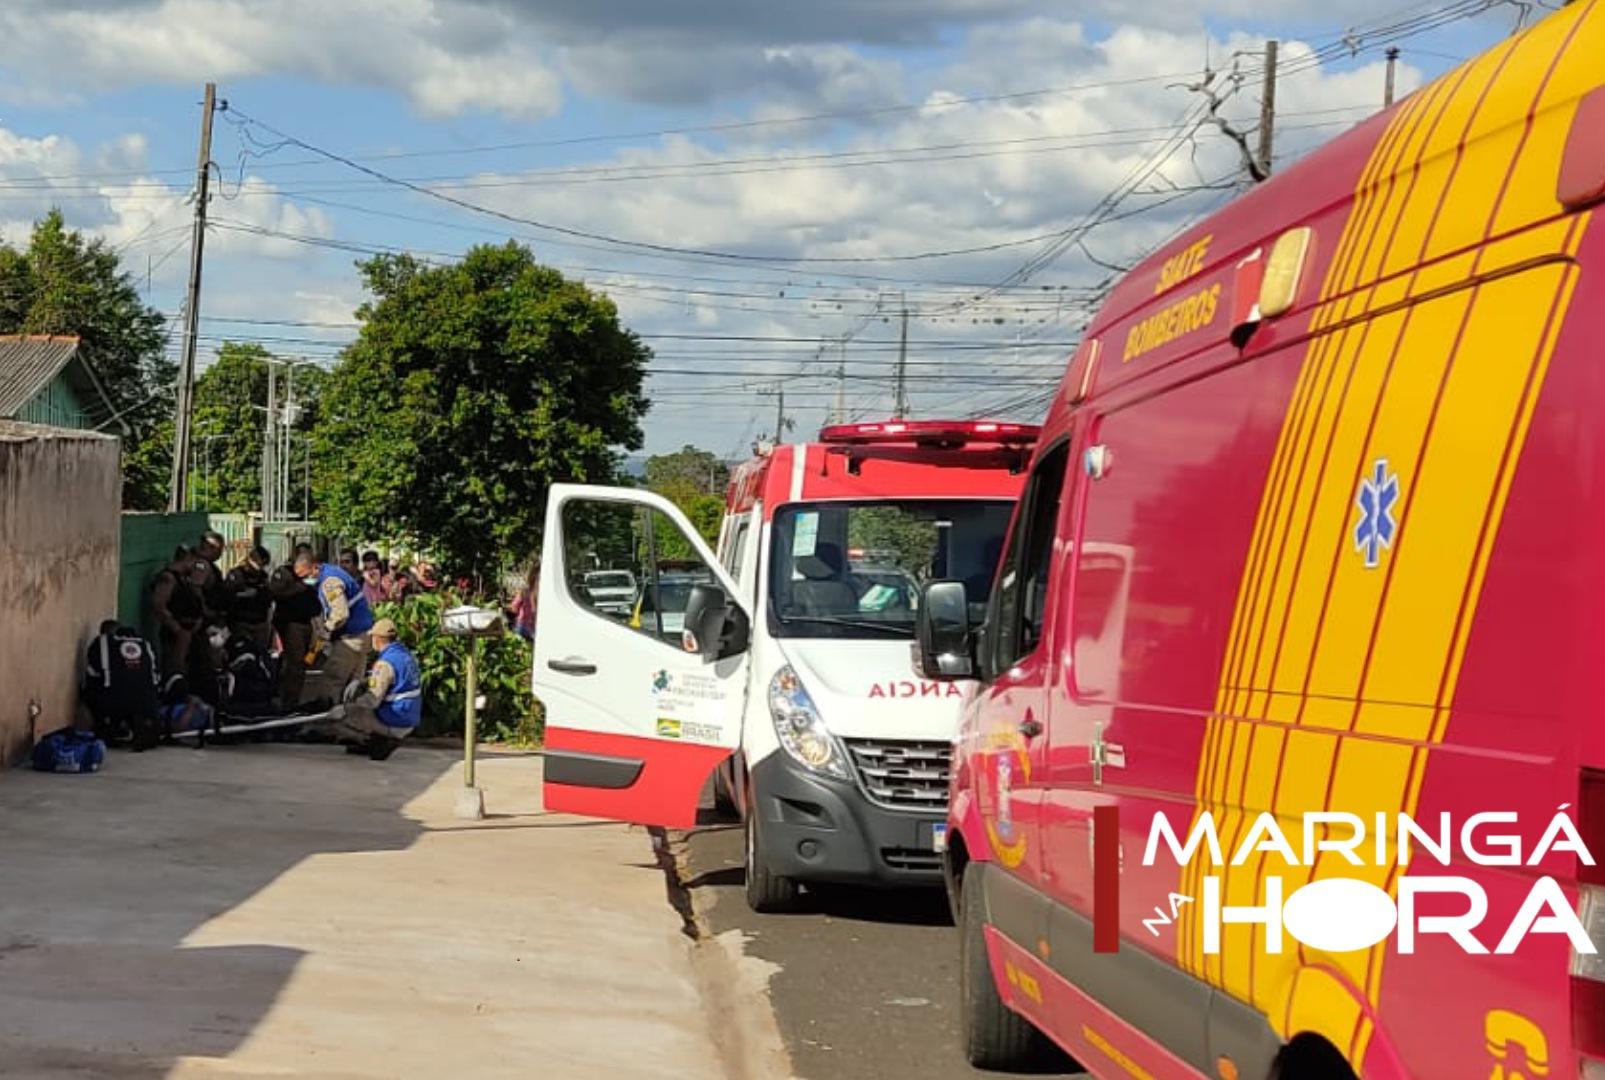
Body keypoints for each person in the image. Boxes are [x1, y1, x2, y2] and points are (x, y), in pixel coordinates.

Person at [324, 618, 420, 760]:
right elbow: (396, 680)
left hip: (394, 720)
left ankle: (378, 741)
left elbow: (371, 701)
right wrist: (364, 682)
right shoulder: (405, 656)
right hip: (409, 716)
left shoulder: (384, 664)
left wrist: (346, 708)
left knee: (340, 719)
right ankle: (377, 740)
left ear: (377, 639)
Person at [294, 550, 375, 702]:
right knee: (353, 683)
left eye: (305, 576)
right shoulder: (331, 572)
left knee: (333, 679)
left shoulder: (329, 582)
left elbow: (340, 614)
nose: (304, 581)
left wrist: (326, 630)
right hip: (363, 634)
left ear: (315, 568)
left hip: (351, 638)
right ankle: (350, 717)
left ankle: (327, 719)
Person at [83, 620, 160, 749]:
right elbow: (156, 676)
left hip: (113, 701)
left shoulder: (102, 642)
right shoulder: (145, 643)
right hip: (147, 702)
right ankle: (139, 726)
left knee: (90, 688)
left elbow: (92, 674)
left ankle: (108, 727)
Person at [270, 544, 320, 706]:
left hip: (309, 622)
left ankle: (294, 696)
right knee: (295, 663)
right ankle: (288, 700)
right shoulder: (284, 572)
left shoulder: (313, 574)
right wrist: (298, 588)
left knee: (305, 662)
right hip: (292, 623)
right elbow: (275, 593)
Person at [150, 547, 203, 676]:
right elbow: (158, 605)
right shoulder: (168, 578)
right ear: (187, 558)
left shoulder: (184, 579)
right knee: (175, 671)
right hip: (176, 636)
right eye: (194, 562)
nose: (194, 567)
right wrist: (178, 629)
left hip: (188, 633)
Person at [226, 545, 275, 649]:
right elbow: (226, 595)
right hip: (241, 622)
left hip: (260, 623)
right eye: (252, 557)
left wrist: (260, 592)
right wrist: (243, 595)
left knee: (260, 653)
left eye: (257, 559)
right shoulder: (237, 574)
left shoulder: (263, 577)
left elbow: (269, 597)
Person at [509, 559, 538, 642]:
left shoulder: (525, 591)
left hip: (528, 627)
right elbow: (514, 606)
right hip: (524, 627)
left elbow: (514, 606)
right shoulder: (524, 592)